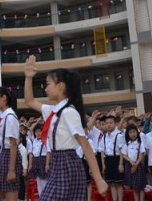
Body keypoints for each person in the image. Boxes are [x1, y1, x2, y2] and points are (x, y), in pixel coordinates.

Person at [23, 55, 108, 201]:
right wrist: (28, 77)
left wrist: (99, 179)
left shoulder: (69, 112)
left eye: (48, 84)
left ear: (60, 86)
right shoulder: (54, 110)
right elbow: (29, 101)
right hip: (59, 162)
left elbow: (85, 145)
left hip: (67, 163)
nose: (46, 88)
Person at [121, 125, 147, 201]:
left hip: (138, 166)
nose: (133, 134)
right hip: (129, 165)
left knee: (141, 186)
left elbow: (142, 154)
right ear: (128, 134)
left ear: (137, 132)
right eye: (130, 132)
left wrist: (136, 164)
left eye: (134, 132)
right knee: (134, 186)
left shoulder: (140, 143)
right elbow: (124, 155)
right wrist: (130, 161)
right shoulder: (127, 144)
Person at [103, 115, 125, 201]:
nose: (109, 125)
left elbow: (121, 151)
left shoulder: (119, 135)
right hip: (108, 160)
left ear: (115, 124)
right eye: (107, 123)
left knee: (119, 183)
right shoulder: (104, 136)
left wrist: (120, 164)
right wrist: (104, 164)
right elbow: (103, 152)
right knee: (111, 183)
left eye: (111, 123)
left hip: (117, 159)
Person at [28, 123, 49, 195]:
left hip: (43, 161)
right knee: (38, 182)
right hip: (36, 161)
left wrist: (47, 164)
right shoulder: (34, 141)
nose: (38, 133)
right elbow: (31, 153)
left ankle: (46, 197)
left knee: (45, 182)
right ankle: (41, 197)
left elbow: (48, 153)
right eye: (36, 131)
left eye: (39, 131)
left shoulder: (45, 140)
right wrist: (30, 164)